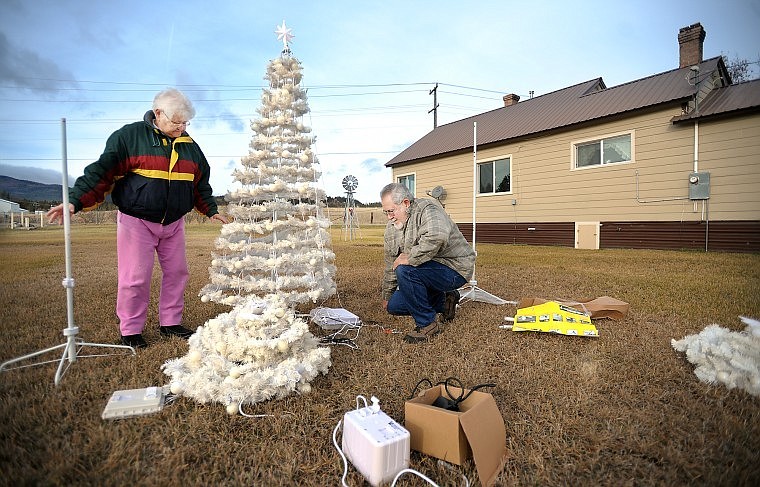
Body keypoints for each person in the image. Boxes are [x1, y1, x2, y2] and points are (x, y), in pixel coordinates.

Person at [47, 88, 228, 349]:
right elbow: (101, 172)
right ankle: (131, 330)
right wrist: (76, 200)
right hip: (136, 221)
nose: (181, 127)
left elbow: (200, 185)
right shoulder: (129, 137)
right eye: (176, 121)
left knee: (177, 273)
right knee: (135, 277)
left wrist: (212, 210)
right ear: (158, 113)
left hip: (174, 223)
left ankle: (170, 323)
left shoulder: (191, 147)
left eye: (185, 122)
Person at [380, 183, 475, 343]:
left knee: (405, 269)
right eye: (386, 212)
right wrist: (387, 295)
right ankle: (445, 302)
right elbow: (392, 264)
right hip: (426, 272)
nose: (389, 217)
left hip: (454, 269)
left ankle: (427, 325)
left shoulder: (427, 208)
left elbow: (436, 236)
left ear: (405, 203)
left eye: (391, 211)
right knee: (394, 306)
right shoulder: (391, 230)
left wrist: (409, 258)